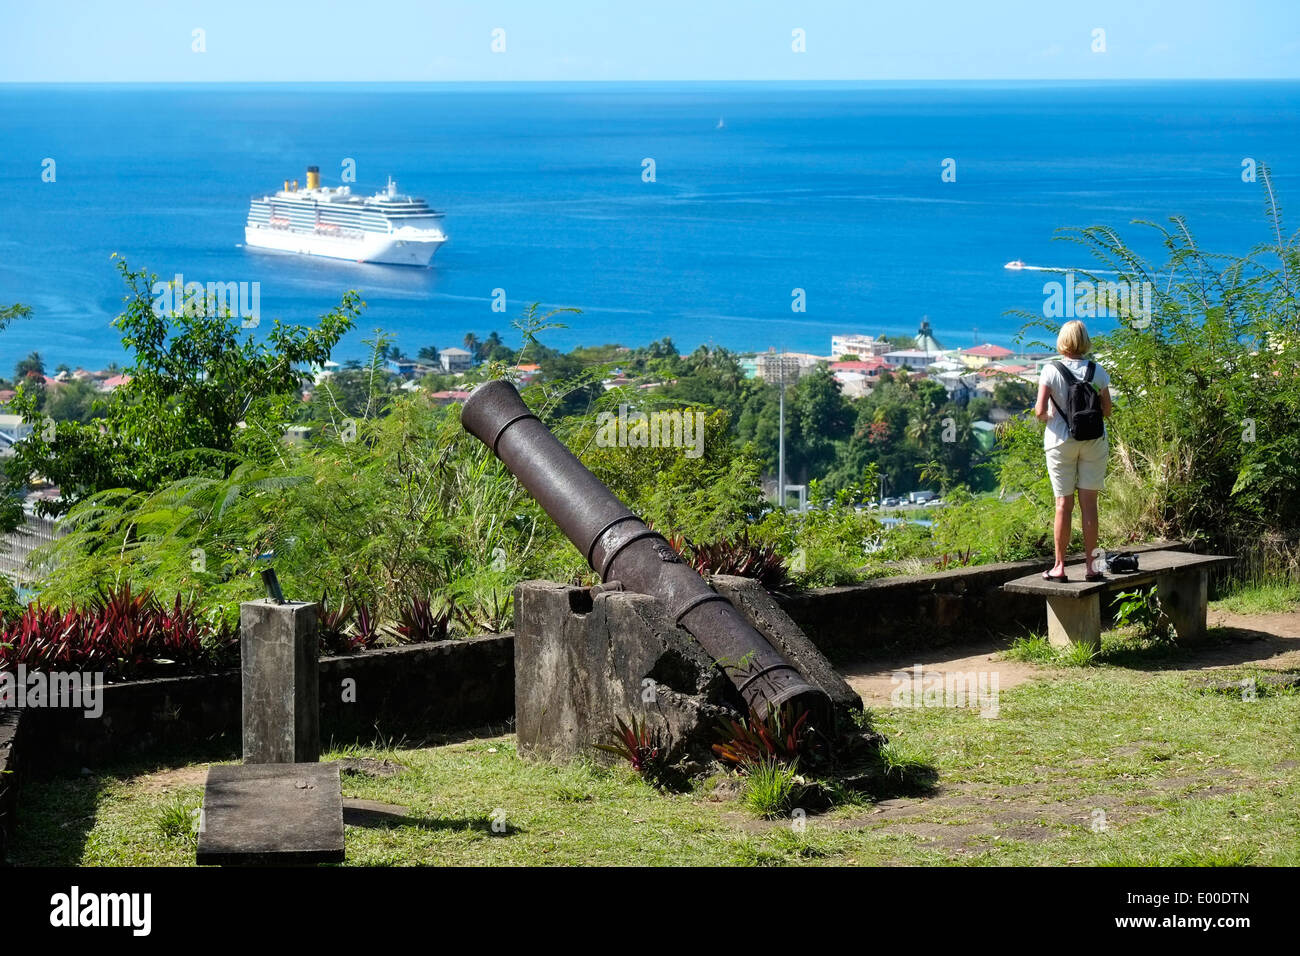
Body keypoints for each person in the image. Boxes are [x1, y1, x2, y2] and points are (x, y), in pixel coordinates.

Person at [1034, 320, 1112, 582]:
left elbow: (1039, 411)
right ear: (1085, 341)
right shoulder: (1097, 371)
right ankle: (1092, 567)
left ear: (1062, 341)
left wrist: (1051, 416)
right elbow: (1108, 411)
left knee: (1063, 505)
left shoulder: (1050, 370)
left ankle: (1059, 567)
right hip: (1093, 441)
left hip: (1060, 442)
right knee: (1090, 505)